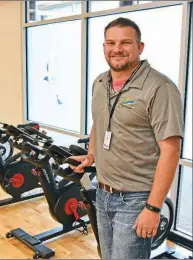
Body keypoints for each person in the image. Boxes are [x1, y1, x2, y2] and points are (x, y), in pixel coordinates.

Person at [69, 17, 183, 259]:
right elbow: (100, 123)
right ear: (103, 47)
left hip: (137, 198)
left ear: (139, 48)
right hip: (103, 192)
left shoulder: (159, 88)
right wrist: (91, 155)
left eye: (125, 42)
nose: (117, 49)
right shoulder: (100, 82)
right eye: (110, 42)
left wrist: (153, 208)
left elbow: (171, 151)